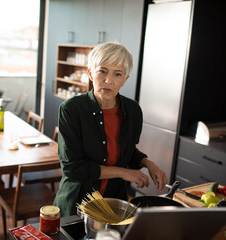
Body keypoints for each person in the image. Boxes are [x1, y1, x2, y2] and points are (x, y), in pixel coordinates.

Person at [53, 42, 168, 216]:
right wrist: (123, 173)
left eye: (118, 74)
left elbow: (126, 152)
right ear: (91, 73)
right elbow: (72, 168)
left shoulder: (133, 111)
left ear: (125, 79)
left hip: (114, 204)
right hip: (76, 205)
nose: (109, 80)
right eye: (103, 71)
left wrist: (148, 164)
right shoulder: (71, 110)